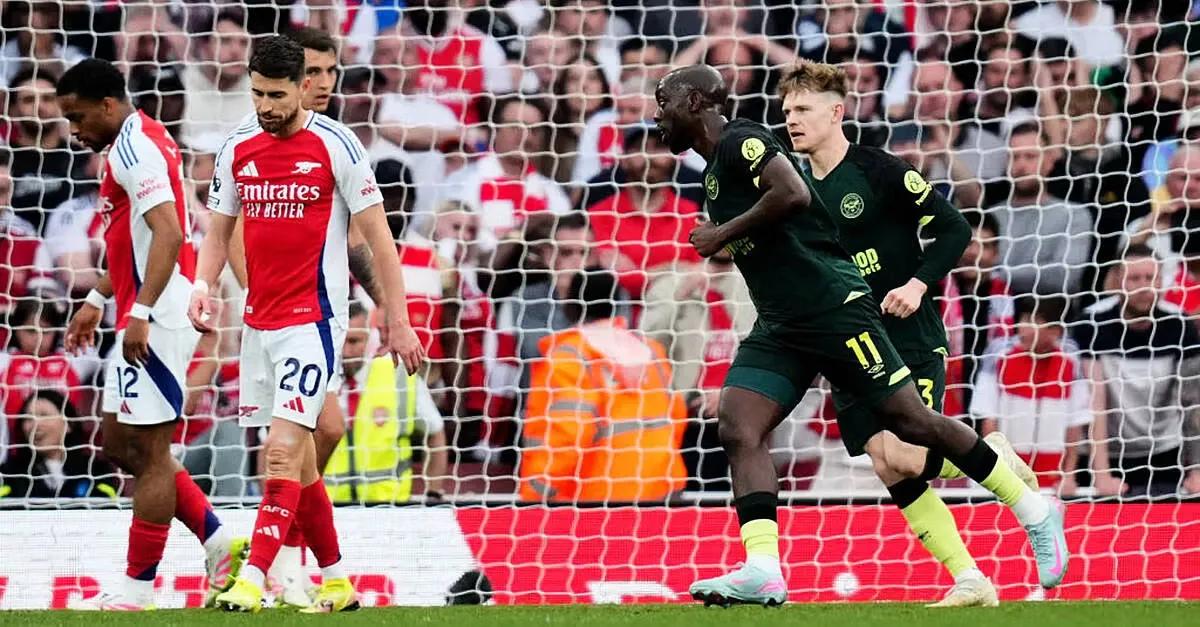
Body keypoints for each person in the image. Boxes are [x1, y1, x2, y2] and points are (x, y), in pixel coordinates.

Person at [653, 64, 1067, 607]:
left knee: (910, 432)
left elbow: (793, 195)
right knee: (740, 423)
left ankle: (1033, 509)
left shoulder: (747, 143)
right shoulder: (716, 171)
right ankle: (763, 568)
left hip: (840, 312)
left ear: (695, 103)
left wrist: (722, 234)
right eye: (788, 110)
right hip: (783, 322)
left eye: (663, 102)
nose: (656, 116)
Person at [779, 61, 1037, 607]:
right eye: (786, 110)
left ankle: (987, 452)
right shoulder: (793, 188)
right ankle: (970, 578)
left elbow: (955, 228)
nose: (791, 119)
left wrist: (919, 284)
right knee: (887, 462)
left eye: (802, 109)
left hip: (907, 334)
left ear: (836, 112)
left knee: (910, 455)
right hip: (850, 344)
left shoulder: (879, 170)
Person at [190, 36, 424, 613]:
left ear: (302, 88)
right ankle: (337, 580)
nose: (265, 106)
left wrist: (398, 320)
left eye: (276, 95)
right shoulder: (237, 145)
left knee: (280, 452)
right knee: (303, 463)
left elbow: (380, 241)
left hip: (313, 322)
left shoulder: (336, 144)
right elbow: (219, 230)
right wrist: (202, 284)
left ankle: (254, 580)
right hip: (259, 324)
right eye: (257, 94)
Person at [54, 57, 248, 611]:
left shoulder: (135, 148)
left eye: (78, 117)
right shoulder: (138, 137)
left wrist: (139, 310)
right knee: (120, 443)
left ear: (107, 105)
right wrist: (97, 299)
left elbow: (168, 233)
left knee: (153, 451)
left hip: (157, 318)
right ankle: (218, 540)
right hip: (141, 310)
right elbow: (130, 240)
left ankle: (138, 592)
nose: (75, 131)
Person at [519, 270, 688, 503]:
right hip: (662, 486)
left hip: (599, 496)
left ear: (570, 304)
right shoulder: (650, 351)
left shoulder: (570, 356)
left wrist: (536, 494)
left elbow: (567, 434)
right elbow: (676, 415)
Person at [1071, 246, 1200, 498]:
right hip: (1106, 453)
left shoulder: (1179, 324)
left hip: (1163, 453)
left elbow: (1193, 402)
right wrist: (1101, 473)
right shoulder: (1092, 322)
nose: (1143, 287)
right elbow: (1095, 402)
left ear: (1161, 281)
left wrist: (1196, 469)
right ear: (1117, 281)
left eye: (1150, 278)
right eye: (1134, 278)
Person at [324, 301, 449, 505]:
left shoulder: (397, 375)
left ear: (370, 338)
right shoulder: (314, 379)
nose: (345, 351)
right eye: (339, 342)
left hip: (391, 507)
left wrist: (433, 493)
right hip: (328, 509)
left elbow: (435, 432)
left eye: (354, 341)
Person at [0, 391, 118, 499]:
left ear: (69, 425)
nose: (35, 424)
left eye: (44, 415)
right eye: (28, 418)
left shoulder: (96, 471)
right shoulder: (9, 474)